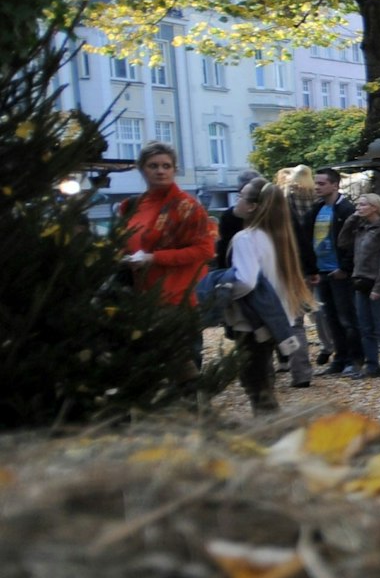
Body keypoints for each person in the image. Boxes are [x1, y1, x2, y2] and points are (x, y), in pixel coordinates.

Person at [220, 176, 313, 411]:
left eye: (241, 196)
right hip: (278, 316)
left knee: (256, 384)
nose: (237, 200)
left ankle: (272, 435)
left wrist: (222, 290)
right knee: (263, 379)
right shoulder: (279, 236)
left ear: (252, 207)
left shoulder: (246, 238)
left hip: (253, 321)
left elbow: (246, 281)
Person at [117, 143, 217, 354]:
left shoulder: (188, 208)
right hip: (141, 298)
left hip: (177, 298)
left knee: (182, 368)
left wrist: (155, 258)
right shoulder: (132, 205)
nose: (160, 171)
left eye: (166, 165)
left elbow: (205, 250)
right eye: (153, 166)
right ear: (142, 169)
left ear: (174, 169)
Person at [339, 193, 380, 378]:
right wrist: (351, 220)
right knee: (365, 327)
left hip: (378, 282)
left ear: (374, 207)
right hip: (361, 280)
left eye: (362, 205)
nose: (358, 207)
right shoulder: (361, 227)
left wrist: (379, 288)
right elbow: (343, 242)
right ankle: (372, 365)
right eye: (357, 205)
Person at [309, 168, 362, 378]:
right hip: (322, 271)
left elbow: (353, 242)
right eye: (316, 183)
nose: (317, 187)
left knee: (347, 317)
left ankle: (354, 358)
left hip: (339, 271)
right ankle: (340, 359)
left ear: (334, 185)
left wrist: (345, 268)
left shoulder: (346, 209)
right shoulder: (317, 209)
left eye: (321, 183)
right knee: (330, 317)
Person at [275, 166, 325, 363]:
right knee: (318, 307)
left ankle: (290, 360)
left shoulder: (287, 194)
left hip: (295, 257)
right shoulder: (316, 195)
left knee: (293, 315)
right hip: (318, 251)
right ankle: (326, 345)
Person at [213, 168, 264, 267]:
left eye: (241, 196)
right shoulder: (269, 215)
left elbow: (223, 247)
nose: (238, 201)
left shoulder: (229, 216)